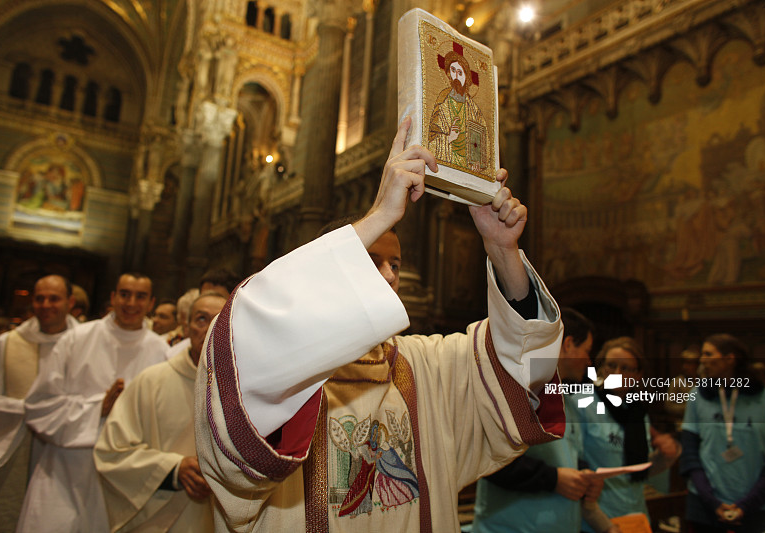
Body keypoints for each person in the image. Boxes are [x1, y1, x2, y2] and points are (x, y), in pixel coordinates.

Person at [195, 116, 565, 531]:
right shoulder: (288, 378)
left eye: (396, 265)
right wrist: (380, 214)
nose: (389, 276)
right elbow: (243, 352)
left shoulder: (425, 367)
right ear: (334, 267)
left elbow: (524, 371)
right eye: (371, 261)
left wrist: (502, 250)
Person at [16, 273, 169, 533]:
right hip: (65, 470)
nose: (130, 302)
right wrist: (99, 408)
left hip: (123, 478)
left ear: (151, 303)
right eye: (124, 294)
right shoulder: (76, 339)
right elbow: (39, 406)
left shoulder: (161, 351)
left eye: (140, 296)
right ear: (112, 297)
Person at [94, 292, 226, 532]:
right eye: (201, 319)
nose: (210, 328)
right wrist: (174, 469)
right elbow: (111, 452)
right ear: (185, 328)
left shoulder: (243, 391)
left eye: (220, 320)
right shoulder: (150, 382)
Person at [472, 307, 607, 533]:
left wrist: (584, 477)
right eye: (586, 350)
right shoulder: (518, 388)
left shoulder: (566, 398)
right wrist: (553, 479)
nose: (588, 361)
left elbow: (569, 455)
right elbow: (490, 458)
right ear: (569, 344)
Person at [0, 275, 77, 531]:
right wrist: (24, 410)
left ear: (70, 302)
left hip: (65, 458)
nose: (46, 305)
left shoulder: (85, 343)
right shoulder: (7, 344)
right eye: (39, 298)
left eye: (54, 298)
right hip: (12, 453)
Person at [574, 337, 681, 532]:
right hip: (594, 521)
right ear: (600, 368)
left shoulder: (637, 412)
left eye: (625, 368)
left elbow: (639, 469)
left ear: (638, 374)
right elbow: (574, 468)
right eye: (611, 365)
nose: (616, 373)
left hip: (635, 516)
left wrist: (665, 457)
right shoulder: (582, 404)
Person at [680, 333, 765, 532]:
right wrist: (712, 502)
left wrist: (746, 506)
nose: (702, 360)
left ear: (730, 359)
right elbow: (690, 453)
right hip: (704, 505)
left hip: (757, 506)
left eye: (708, 354)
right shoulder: (697, 395)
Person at [427, 47, 489, 173]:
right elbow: (430, 136)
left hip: (469, 168)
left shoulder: (473, 108)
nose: (456, 76)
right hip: (446, 163)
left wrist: (478, 160)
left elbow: (484, 138)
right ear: (448, 74)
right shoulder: (442, 101)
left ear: (466, 78)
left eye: (460, 73)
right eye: (453, 70)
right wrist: (449, 138)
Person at [665, 348, 700, 429]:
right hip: (682, 425)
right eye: (684, 363)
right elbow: (669, 406)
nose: (685, 367)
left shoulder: (704, 382)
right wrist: (690, 407)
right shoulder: (677, 382)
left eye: (689, 364)